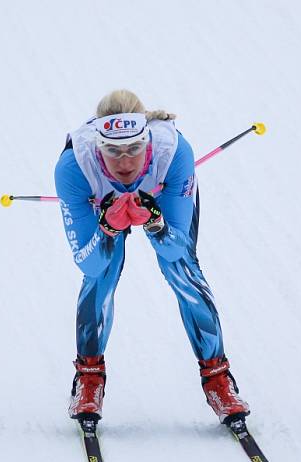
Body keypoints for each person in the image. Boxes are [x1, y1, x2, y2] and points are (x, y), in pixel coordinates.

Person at [54, 89, 250, 426]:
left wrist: (156, 223)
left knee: (182, 269)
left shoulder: (173, 153)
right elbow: (88, 263)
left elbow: (175, 248)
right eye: (113, 151)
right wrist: (108, 231)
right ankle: (88, 379)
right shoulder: (75, 167)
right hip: (100, 202)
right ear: (98, 146)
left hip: (159, 194)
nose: (125, 162)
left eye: (134, 148)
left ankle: (219, 380)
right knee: (102, 275)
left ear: (148, 140)